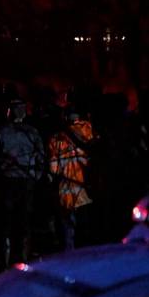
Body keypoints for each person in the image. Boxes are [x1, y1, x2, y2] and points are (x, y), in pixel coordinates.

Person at [0, 98, 47, 264]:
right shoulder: (32, 133)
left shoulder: (1, 131)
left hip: (7, 182)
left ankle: (5, 264)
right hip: (26, 181)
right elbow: (41, 158)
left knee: (6, 223)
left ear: (9, 112)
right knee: (24, 223)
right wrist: (35, 176)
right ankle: (23, 262)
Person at [47, 107, 94, 251]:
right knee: (84, 226)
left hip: (65, 188)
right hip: (84, 189)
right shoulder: (87, 130)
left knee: (67, 226)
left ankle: (69, 254)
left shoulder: (56, 138)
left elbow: (53, 168)